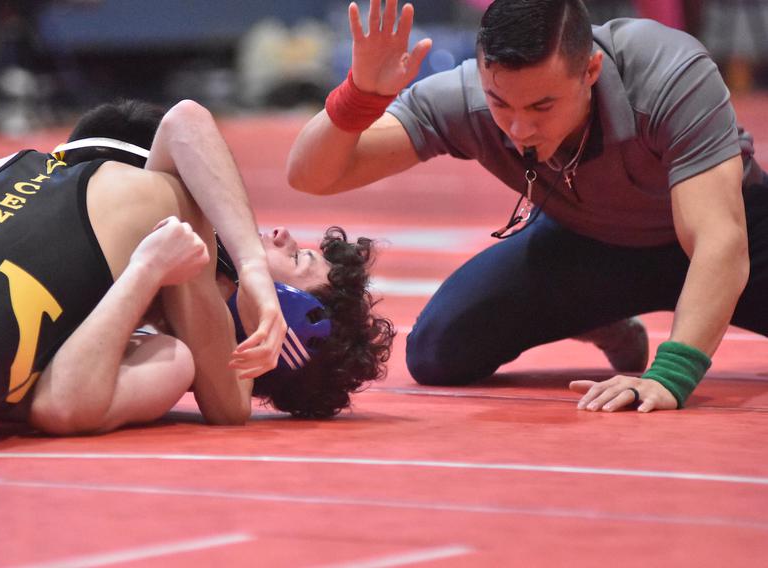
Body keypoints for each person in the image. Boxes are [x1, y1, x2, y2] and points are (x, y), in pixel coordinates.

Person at [287, 0, 767, 412]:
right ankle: (602, 315)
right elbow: (312, 176)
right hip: (589, 243)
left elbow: (719, 241)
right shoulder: (465, 96)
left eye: (541, 107)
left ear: (591, 71)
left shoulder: (667, 70)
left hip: (739, 238)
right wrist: (358, 99)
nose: (519, 130)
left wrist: (668, 377)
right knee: (438, 352)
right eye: (501, 104)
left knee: (719, 241)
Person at [0, 98, 394, 461]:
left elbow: (63, 406)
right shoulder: (183, 230)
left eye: (297, 257)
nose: (279, 233)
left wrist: (146, 273)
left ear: (295, 321)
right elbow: (184, 121)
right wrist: (248, 266)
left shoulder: (167, 323)